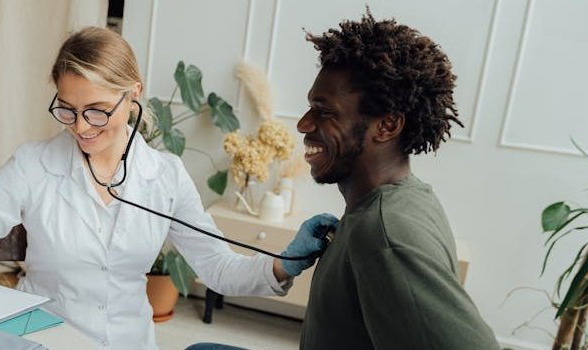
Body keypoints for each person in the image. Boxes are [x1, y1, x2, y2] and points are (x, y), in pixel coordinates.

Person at [0, 26, 336, 349]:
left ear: (133, 95)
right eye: (68, 110)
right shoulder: (32, 164)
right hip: (44, 340)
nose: (80, 127)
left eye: (96, 111)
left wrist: (284, 264)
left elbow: (218, 268)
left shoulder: (164, 176)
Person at [187, 9, 501, 350]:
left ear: (387, 126)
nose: (304, 125)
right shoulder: (404, 198)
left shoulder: (385, 235)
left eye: (324, 112)